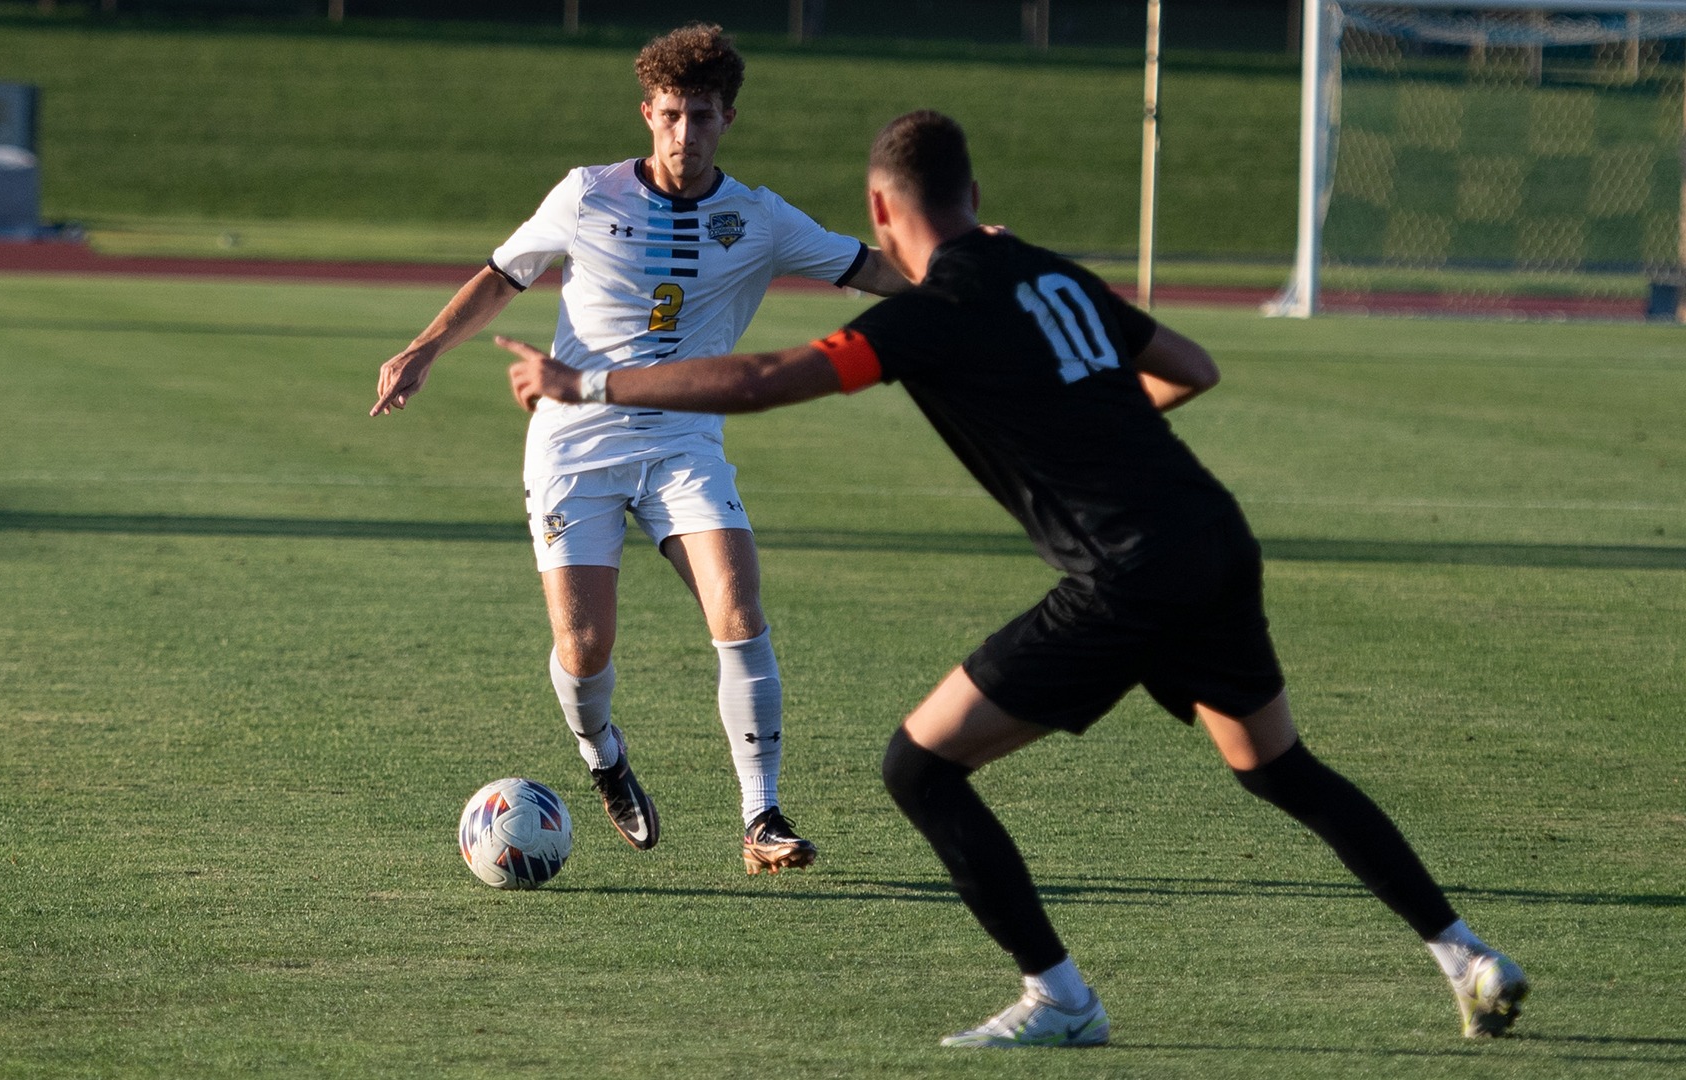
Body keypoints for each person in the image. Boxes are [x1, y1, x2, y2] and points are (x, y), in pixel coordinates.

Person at [502, 110, 1528, 1046]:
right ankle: (1467, 956)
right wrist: (1086, 426)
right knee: (1275, 769)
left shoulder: (931, 312)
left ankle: (1062, 999)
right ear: (976, 198)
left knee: (919, 767)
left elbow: (770, 381)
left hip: (1123, 572)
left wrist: (586, 380)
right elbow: (1192, 366)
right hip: (1212, 538)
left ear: (879, 210)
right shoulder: (1048, 273)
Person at [371, 24, 908, 874]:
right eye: (669, 116)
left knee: (738, 606)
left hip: (684, 441)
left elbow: (870, 268)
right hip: (572, 443)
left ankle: (761, 816)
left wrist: (966, 270)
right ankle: (603, 760)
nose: (684, 134)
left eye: (701, 116)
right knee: (585, 649)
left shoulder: (759, 218)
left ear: (729, 117)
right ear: (646, 114)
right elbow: (503, 274)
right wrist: (424, 348)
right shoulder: (588, 195)